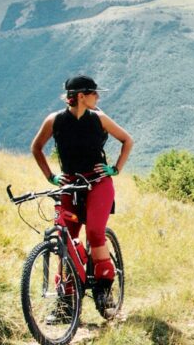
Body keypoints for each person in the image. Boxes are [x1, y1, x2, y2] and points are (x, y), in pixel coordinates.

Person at [30, 75, 133, 311]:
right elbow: (36, 148)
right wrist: (51, 177)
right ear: (81, 97)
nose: (98, 97)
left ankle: (104, 289)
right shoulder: (54, 120)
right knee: (66, 237)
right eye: (94, 93)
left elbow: (127, 140)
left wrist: (115, 169)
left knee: (96, 232)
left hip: (98, 183)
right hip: (70, 184)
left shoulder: (99, 118)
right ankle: (65, 299)